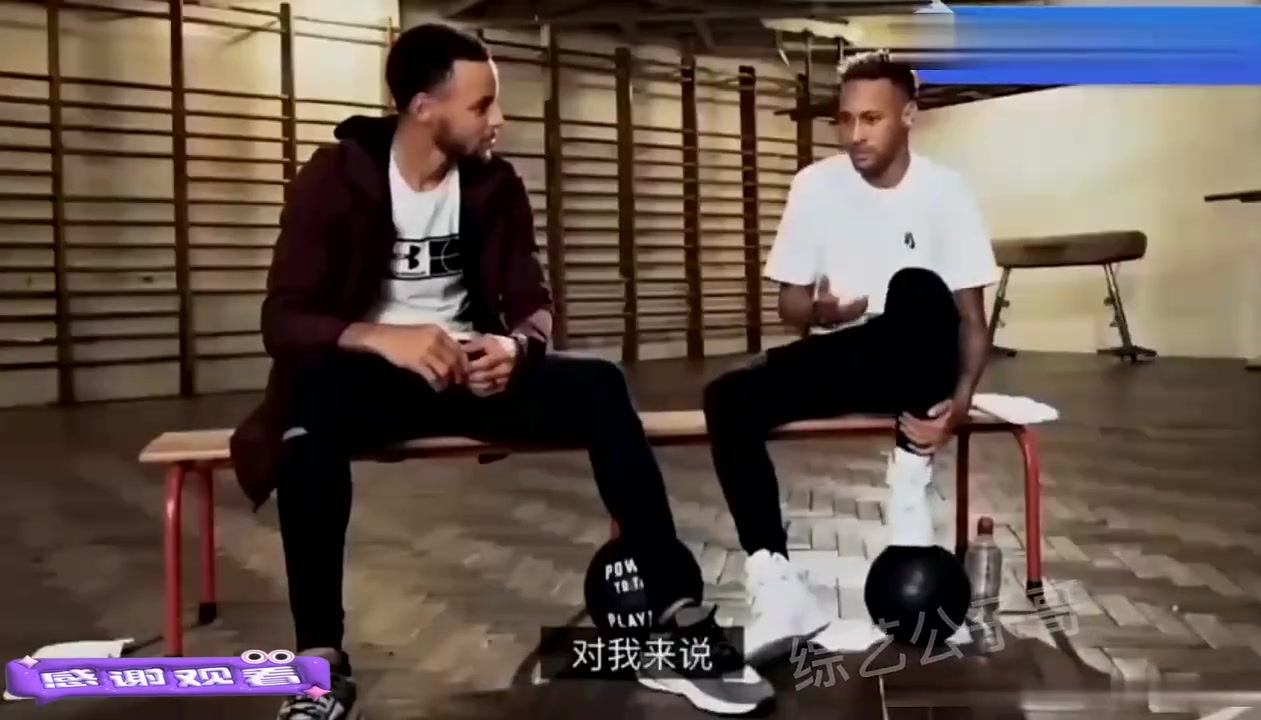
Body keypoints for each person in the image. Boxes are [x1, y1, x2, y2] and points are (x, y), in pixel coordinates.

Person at [229, 23, 773, 720]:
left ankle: (676, 617)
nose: (499, 120)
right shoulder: (335, 179)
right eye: (482, 104)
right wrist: (382, 338)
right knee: (305, 409)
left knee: (602, 387)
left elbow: (533, 303)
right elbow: (283, 320)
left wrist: (515, 347)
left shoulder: (494, 184)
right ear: (424, 107)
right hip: (372, 380)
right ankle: (321, 668)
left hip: (475, 373)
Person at [702, 50, 999, 665]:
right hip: (850, 351)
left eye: (872, 119)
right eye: (845, 120)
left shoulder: (945, 190)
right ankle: (776, 583)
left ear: (908, 115)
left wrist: (959, 405)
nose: (855, 134)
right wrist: (824, 312)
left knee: (915, 289)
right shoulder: (814, 185)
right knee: (726, 397)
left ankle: (911, 479)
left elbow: (972, 319)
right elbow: (789, 303)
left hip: (919, 357)